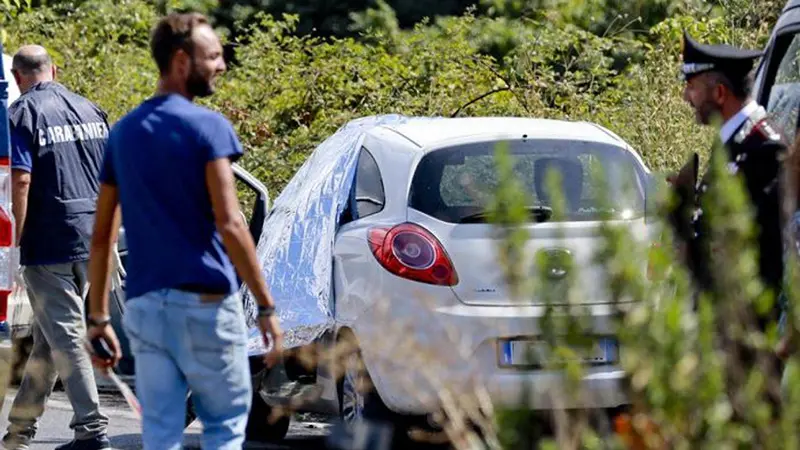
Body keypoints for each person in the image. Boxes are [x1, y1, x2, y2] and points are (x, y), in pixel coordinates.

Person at [84, 12, 283, 449]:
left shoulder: (123, 133)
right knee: (225, 425)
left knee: (160, 431)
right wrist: (266, 307)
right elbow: (231, 223)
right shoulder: (208, 128)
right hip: (207, 305)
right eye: (212, 56)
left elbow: (101, 238)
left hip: (147, 307)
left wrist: (98, 318)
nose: (222, 65)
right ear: (180, 61)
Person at [672, 30, 789, 418]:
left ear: (719, 93)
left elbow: (761, 250)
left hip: (746, 330)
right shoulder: (733, 144)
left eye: (691, 87)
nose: (687, 97)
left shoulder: (763, 147)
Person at [2, 46, 110, 450]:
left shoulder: (21, 114)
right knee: (50, 339)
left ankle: (92, 431)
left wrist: (18, 241)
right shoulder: (91, 109)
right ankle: (19, 432)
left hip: (50, 241)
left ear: (16, 77)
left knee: (66, 336)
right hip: (93, 238)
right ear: (55, 69)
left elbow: (22, 181)